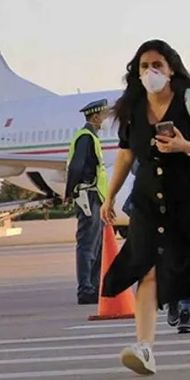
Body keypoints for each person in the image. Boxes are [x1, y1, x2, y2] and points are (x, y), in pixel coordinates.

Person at [101, 40, 190, 374]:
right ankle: (145, 347)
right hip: (150, 201)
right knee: (147, 268)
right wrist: (110, 196)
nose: (150, 72)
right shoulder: (132, 109)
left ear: (172, 68)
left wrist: (185, 145)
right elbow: (127, 155)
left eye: (157, 65)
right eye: (144, 66)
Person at [64, 98, 110, 306]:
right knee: (87, 244)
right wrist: (68, 192)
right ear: (95, 116)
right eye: (104, 115)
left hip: (95, 196)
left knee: (97, 244)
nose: (106, 119)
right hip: (87, 195)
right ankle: (85, 289)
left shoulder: (92, 137)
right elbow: (76, 167)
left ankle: (94, 285)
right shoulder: (85, 137)